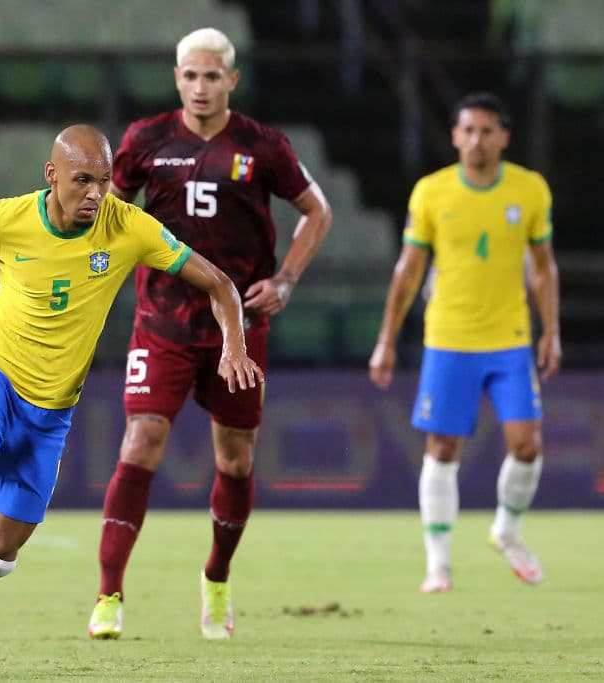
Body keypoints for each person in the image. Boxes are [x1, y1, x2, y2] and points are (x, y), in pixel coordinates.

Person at [0, 124, 265, 672]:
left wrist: (234, 344)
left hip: (52, 408)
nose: (94, 193)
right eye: (82, 180)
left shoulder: (128, 228)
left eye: (104, 182)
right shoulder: (6, 220)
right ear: (52, 174)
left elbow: (221, 284)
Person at [88, 27, 332, 641]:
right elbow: (108, 217)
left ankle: (217, 578)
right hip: (162, 323)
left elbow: (317, 211)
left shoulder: (262, 146)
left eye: (212, 76)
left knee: (236, 456)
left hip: (239, 330)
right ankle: (108, 595)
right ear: (177, 79)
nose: (201, 87)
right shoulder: (145, 140)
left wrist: (287, 280)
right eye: (190, 76)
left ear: (232, 80)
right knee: (140, 441)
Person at [368, 92, 561, 593]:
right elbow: (409, 270)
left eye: (487, 131)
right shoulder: (432, 192)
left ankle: (506, 530)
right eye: (468, 130)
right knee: (443, 446)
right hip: (449, 339)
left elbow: (543, 270)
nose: (477, 140)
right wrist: (387, 339)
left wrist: (552, 331)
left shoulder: (530, 190)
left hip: (510, 340)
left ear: (504, 137)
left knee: (527, 443)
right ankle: (438, 564)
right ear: (455, 136)